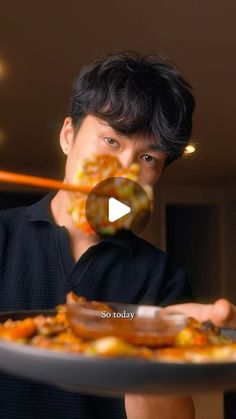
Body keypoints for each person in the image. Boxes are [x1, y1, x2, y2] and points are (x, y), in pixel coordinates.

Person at [0, 50, 196, 419]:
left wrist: (155, 349)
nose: (125, 172)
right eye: (112, 141)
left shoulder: (162, 276)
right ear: (68, 136)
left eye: (148, 158)